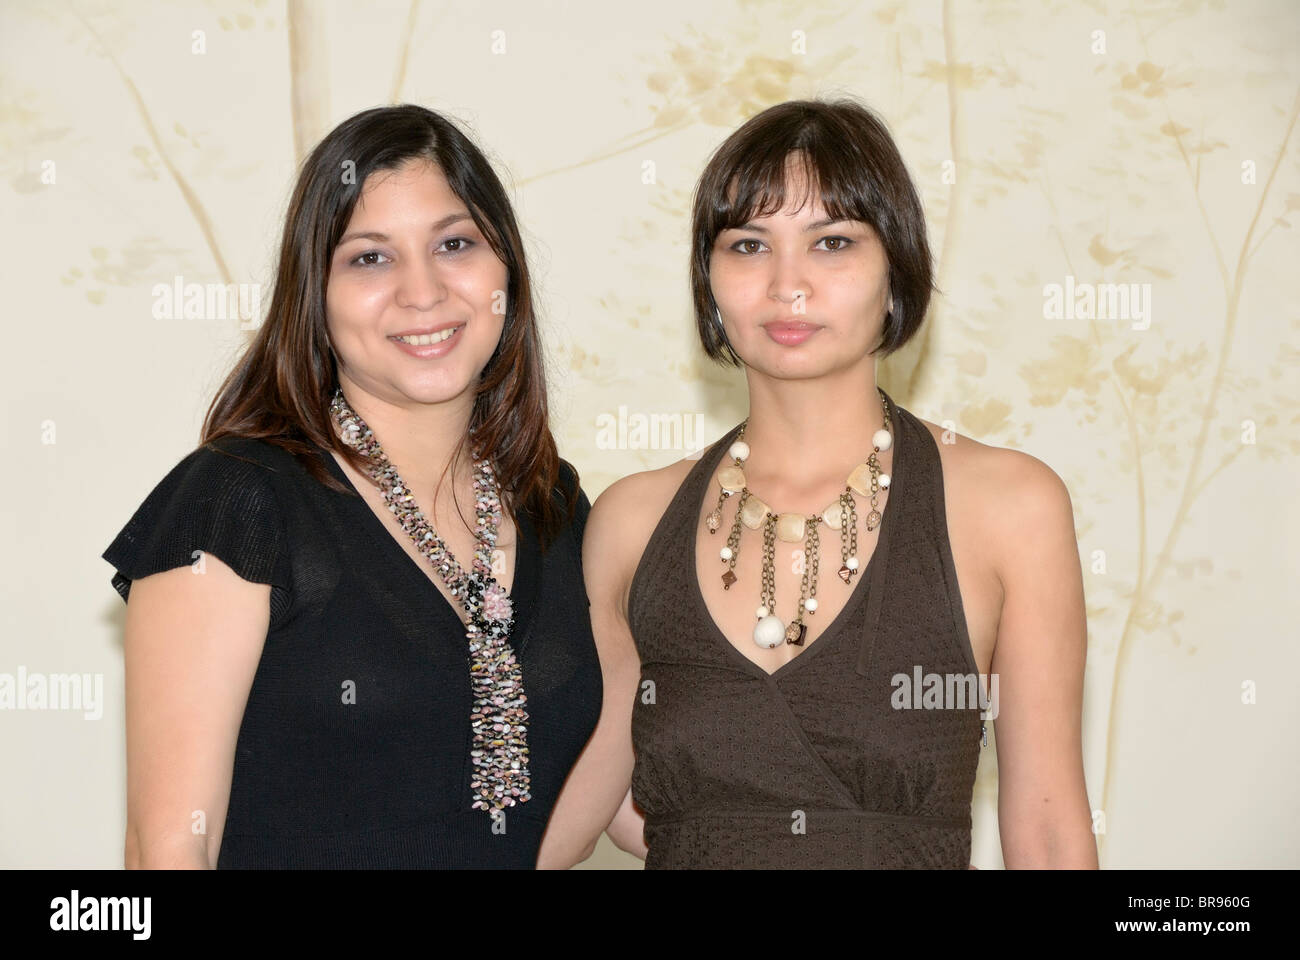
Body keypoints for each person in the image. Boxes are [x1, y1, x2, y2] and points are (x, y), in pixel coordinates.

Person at [538, 98, 1097, 869]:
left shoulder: (1010, 506)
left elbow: (1049, 833)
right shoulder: (631, 520)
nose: (788, 285)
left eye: (832, 242)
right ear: (709, 283)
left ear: (896, 273)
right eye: (748, 245)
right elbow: (599, 808)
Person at [103, 104, 601, 869]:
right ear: (316, 293)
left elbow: (583, 816)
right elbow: (169, 847)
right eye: (370, 258)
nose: (422, 292)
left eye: (455, 244)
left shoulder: (554, 504)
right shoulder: (236, 500)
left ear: (507, 270)